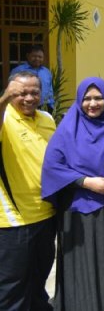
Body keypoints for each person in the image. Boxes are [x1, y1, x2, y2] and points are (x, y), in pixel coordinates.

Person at [41, 77, 104, 311]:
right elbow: (52, 167)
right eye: (87, 98)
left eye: (98, 98)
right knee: (83, 265)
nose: (92, 103)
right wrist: (85, 182)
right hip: (78, 212)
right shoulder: (68, 127)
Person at [0, 71, 56, 310]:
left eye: (34, 92)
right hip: (14, 220)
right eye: (21, 93)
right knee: (12, 286)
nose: (28, 98)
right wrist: (3, 99)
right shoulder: (4, 119)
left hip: (46, 214)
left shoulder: (47, 119)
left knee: (38, 278)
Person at [10, 44, 55, 111]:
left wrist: (52, 106)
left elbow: (50, 91)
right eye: (34, 56)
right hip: (26, 105)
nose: (37, 59)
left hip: (45, 107)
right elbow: (12, 90)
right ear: (28, 56)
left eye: (40, 57)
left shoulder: (46, 72)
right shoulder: (18, 71)